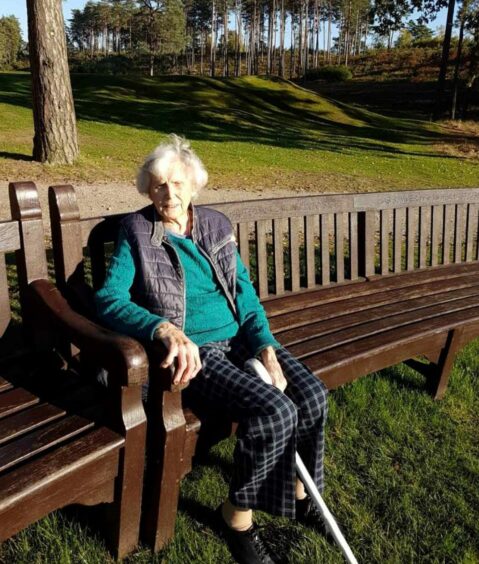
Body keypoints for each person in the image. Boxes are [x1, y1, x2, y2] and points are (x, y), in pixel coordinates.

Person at [95, 134, 329, 564]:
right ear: (148, 187)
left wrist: (266, 346)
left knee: (311, 395)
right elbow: (109, 299)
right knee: (275, 413)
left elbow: (244, 292)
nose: (169, 193)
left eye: (178, 183)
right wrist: (162, 327)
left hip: (241, 337)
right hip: (198, 353)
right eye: (159, 184)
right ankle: (236, 516)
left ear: (194, 186)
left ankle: (299, 494)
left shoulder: (217, 226)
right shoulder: (137, 232)